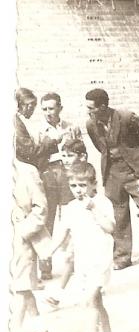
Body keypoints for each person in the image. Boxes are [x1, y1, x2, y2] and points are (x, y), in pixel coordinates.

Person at [49, 163, 118, 332]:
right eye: (73, 186)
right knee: (97, 301)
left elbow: (110, 227)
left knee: (90, 300)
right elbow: (63, 230)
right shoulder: (71, 207)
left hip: (100, 260)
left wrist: (94, 208)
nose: (78, 190)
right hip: (83, 261)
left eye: (82, 185)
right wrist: (50, 250)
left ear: (93, 184)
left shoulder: (102, 203)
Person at [85, 88, 139, 270]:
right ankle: (122, 257)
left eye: (91, 108)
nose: (88, 112)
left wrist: (136, 157)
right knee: (119, 214)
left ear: (103, 107)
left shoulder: (127, 118)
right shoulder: (91, 124)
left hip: (135, 170)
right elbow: (101, 147)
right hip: (113, 173)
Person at [10, 157, 52, 332]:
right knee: (22, 288)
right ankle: (41, 331)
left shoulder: (27, 172)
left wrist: (23, 231)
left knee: (20, 287)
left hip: (23, 239)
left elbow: (41, 208)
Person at [38, 92, 82, 280]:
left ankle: (73, 262)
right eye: (44, 109)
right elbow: (36, 154)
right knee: (47, 219)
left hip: (68, 174)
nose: (48, 112)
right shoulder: (38, 130)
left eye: (51, 108)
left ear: (60, 108)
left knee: (71, 216)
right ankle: (45, 266)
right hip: (48, 174)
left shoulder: (71, 127)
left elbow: (80, 150)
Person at [44, 138, 88, 307]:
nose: (66, 160)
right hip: (72, 221)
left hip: (87, 223)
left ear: (82, 156)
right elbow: (64, 205)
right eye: (64, 156)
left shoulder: (86, 173)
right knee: (71, 257)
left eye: (70, 156)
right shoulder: (64, 174)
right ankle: (59, 293)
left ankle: (89, 290)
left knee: (78, 259)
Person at [14, 88, 59, 172]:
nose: (33, 111)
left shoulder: (19, 121)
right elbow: (29, 150)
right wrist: (54, 142)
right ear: (28, 106)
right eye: (33, 106)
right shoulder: (16, 122)